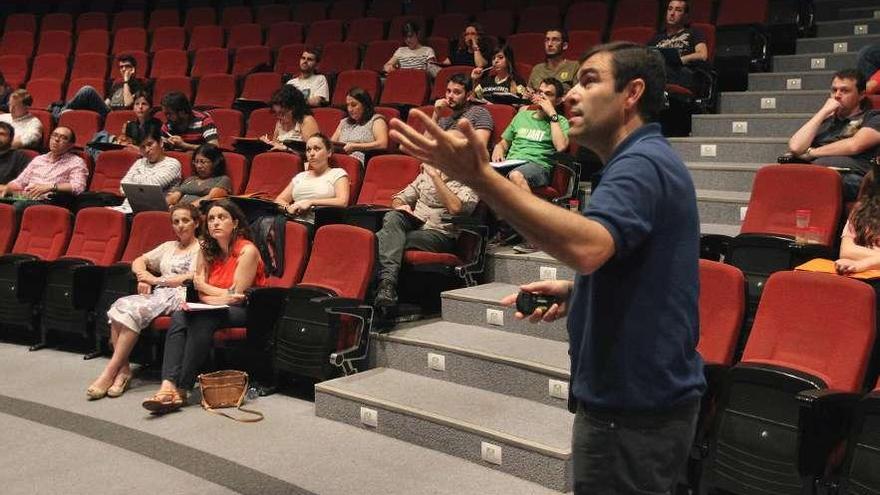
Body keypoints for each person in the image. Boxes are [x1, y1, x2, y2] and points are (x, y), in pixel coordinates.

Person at [389, 41, 705, 494]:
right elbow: (633, 266)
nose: (570, 94)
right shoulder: (641, 161)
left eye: (589, 80)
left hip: (634, 407)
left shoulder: (641, 164)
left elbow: (588, 249)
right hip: (638, 404)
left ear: (632, 93)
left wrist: (483, 178)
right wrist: (581, 294)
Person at [142, 199, 267, 414]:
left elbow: (237, 296)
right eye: (211, 219)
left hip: (247, 311)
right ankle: (168, 385)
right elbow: (202, 292)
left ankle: (182, 388)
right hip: (213, 307)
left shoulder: (248, 251)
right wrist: (212, 296)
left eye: (222, 218)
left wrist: (207, 292)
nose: (215, 223)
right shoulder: (207, 249)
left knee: (202, 317)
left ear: (235, 223)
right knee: (182, 313)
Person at [86, 204, 201, 400]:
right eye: (176, 222)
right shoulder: (168, 246)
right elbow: (138, 261)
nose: (180, 226)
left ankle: (109, 372)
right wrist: (143, 276)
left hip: (181, 295)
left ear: (196, 223)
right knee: (119, 305)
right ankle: (123, 371)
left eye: (185, 221)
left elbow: (194, 276)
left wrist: (155, 280)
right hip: (160, 293)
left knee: (133, 310)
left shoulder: (202, 247)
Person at [373, 154, 479, 309]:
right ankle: (387, 286)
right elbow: (399, 197)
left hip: (440, 234)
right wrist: (400, 206)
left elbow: (456, 208)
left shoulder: (471, 178)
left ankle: (385, 288)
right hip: (415, 224)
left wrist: (436, 177)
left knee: (384, 240)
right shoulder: (425, 175)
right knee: (393, 216)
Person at [787, 69, 880, 202]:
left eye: (845, 90)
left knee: (819, 180)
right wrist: (823, 112)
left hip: (853, 177)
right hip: (817, 173)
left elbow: (855, 145)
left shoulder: (873, 117)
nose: (837, 95)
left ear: (861, 95)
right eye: (834, 90)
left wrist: (812, 152)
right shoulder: (824, 122)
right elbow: (796, 147)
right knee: (776, 176)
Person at [492, 78, 569, 193]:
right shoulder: (522, 116)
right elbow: (504, 143)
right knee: (479, 173)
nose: (542, 96)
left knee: (516, 175)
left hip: (537, 166)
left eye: (548, 94)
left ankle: (532, 210)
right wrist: (499, 148)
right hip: (510, 163)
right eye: (540, 92)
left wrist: (552, 114)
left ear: (558, 101)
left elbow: (561, 147)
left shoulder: (560, 121)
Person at [274, 134, 350, 229]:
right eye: (308, 150)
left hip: (317, 224)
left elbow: (342, 201)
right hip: (292, 219)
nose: (312, 154)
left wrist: (311, 202)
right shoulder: (301, 176)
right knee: (263, 221)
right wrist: (288, 208)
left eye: (317, 149)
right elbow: (280, 200)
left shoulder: (337, 173)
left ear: (329, 152)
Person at [0, 126, 87, 199]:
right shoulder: (39, 159)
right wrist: (7, 188)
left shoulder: (76, 162)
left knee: (19, 207)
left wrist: (51, 187)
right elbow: (20, 182)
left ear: (71, 145)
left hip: (50, 201)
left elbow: (78, 187)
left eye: (63, 138)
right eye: (54, 135)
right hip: (26, 197)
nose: (56, 139)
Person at [114, 120, 181, 214]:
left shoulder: (172, 163)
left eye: (150, 144)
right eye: (142, 147)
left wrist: (134, 181)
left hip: (152, 211)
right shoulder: (139, 162)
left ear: (161, 143)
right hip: (126, 208)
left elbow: (151, 186)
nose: (147, 150)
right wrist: (138, 186)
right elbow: (123, 187)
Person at [648, 0, 709, 91]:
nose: (672, 13)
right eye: (670, 9)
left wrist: (681, 59)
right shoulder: (657, 38)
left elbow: (702, 55)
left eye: (678, 10)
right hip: (660, 71)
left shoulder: (693, 33)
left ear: (685, 16)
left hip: (683, 72)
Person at [62, 54, 147, 117]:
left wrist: (126, 81)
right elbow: (107, 103)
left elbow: (128, 104)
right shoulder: (116, 85)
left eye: (127, 66)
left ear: (133, 69)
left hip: (117, 115)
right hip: (107, 112)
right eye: (121, 67)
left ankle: (61, 113)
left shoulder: (139, 85)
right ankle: (64, 111)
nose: (123, 69)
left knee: (88, 90)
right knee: (78, 105)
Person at [432, 74, 494, 149]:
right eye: (448, 91)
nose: (450, 96)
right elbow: (425, 144)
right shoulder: (444, 120)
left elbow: (480, 149)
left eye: (456, 92)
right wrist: (436, 114)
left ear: (468, 95)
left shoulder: (480, 113)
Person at [331, 86, 389, 165]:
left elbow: (382, 144)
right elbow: (332, 143)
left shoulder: (376, 120)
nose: (349, 109)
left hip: (359, 161)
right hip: (338, 159)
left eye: (354, 105)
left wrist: (356, 146)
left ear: (365, 105)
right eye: (347, 105)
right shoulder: (344, 122)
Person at [166, 143, 232, 208]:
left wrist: (182, 210)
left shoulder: (223, 179)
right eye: (196, 162)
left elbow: (209, 198)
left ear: (215, 162)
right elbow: (174, 197)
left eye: (203, 162)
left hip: (198, 213)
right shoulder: (190, 179)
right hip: (178, 211)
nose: (198, 166)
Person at [260, 85, 319, 151]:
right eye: (277, 113)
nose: (280, 117)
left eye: (283, 113)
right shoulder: (279, 123)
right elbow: (275, 146)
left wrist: (286, 149)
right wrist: (268, 144)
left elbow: (314, 151)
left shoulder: (306, 121)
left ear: (294, 108)